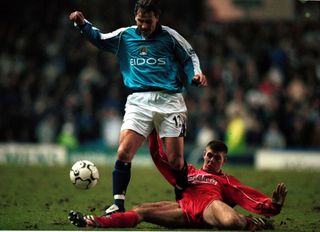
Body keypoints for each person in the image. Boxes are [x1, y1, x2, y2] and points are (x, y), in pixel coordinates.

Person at [69, 0, 207, 214]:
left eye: (148, 21)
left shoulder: (170, 36)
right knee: (124, 151)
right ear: (135, 18)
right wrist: (82, 23)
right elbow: (99, 39)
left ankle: (184, 200)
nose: (144, 25)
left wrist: (195, 76)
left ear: (157, 18)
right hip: (138, 101)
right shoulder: (125, 35)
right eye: (140, 20)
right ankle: (118, 203)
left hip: (169, 101)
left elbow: (189, 57)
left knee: (176, 161)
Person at [68, 130, 288, 230]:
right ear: (204, 154)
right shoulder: (188, 171)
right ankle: (93, 221)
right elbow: (160, 157)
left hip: (210, 207)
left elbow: (247, 195)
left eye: (217, 158)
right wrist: (152, 130)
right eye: (209, 155)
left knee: (231, 222)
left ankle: (252, 224)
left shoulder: (226, 181)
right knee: (141, 209)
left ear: (224, 160)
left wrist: (273, 205)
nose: (212, 160)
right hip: (184, 210)